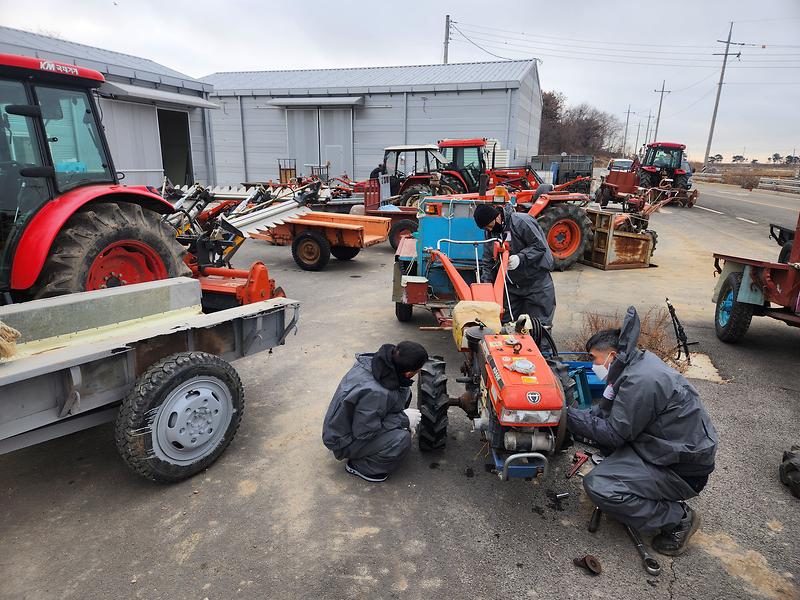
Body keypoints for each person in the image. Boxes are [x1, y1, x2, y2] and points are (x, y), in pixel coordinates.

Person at [567, 306, 718, 556]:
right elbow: (604, 413)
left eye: (593, 359)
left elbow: (615, 432)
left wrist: (565, 415)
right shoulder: (633, 365)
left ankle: (677, 518)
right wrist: (575, 418)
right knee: (602, 451)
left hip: (680, 470)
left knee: (599, 486)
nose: (592, 365)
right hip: (663, 450)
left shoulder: (642, 380)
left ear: (612, 355)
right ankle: (637, 496)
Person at [322, 341, 428, 482]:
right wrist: (403, 420)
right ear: (409, 373)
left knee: (404, 391)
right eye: (418, 369)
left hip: (354, 424)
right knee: (401, 440)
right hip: (343, 440)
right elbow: (364, 432)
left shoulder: (378, 363)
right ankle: (361, 466)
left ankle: (377, 444)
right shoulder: (376, 393)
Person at [472, 203, 556, 327]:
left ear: (497, 217)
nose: (489, 230)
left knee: (539, 328)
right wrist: (486, 287)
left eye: (489, 226)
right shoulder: (491, 233)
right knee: (506, 326)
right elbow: (488, 261)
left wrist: (520, 258)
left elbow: (539, 246)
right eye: (486, 228)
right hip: (511, 287)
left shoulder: (521, 222)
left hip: (536, 284)